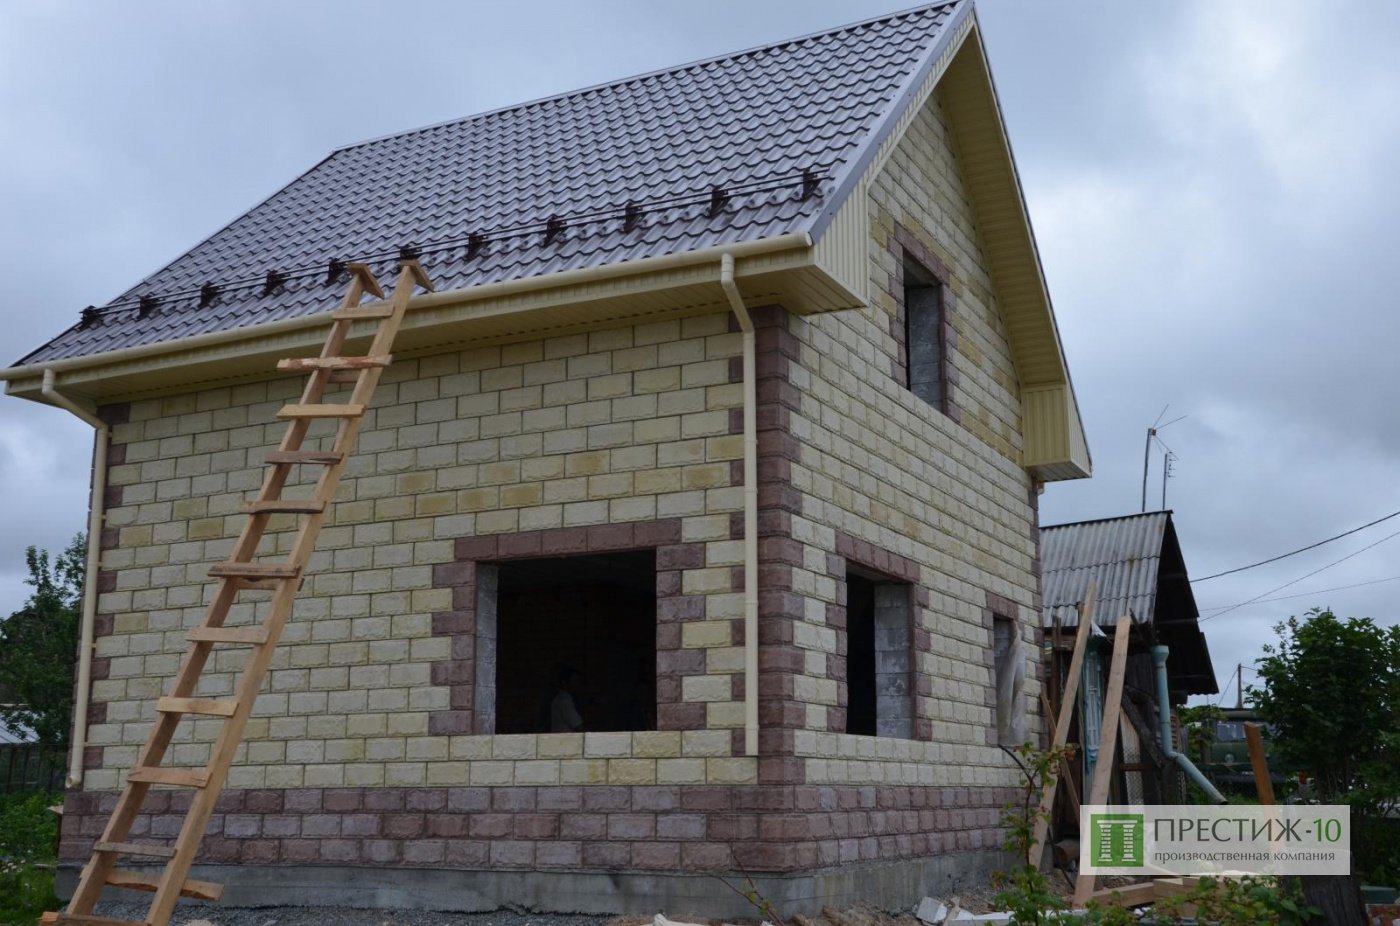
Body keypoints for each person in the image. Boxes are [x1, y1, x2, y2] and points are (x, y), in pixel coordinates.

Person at [549, 664, 584, 733]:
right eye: (574, 681)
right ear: (564, 683)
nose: (577, 685)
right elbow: (578, 726)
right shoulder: (565, 700)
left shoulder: (560, 698)